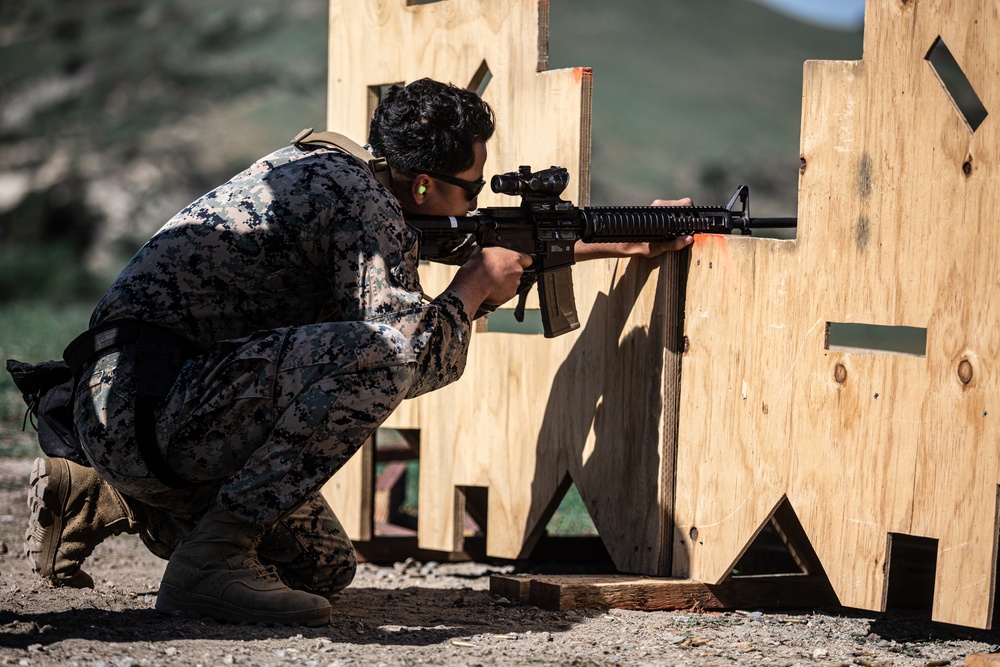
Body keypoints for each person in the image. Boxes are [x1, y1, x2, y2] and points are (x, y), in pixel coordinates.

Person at [25, 78, 694, 626]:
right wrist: (469, 293)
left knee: (322, 570)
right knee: (377, 350)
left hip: (122, 411)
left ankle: (100, 490)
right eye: (473, 186)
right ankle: (211, 557)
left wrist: (619, 237)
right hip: (162, 410)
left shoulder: (331, 175)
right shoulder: (363, 202)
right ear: (424, 186)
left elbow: (457, 239)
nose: (479, 198)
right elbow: (408, 356)